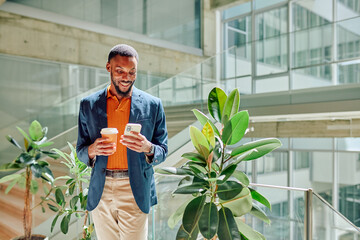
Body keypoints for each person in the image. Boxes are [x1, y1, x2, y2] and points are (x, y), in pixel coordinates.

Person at [76, 44, 168, 239]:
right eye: (120, 71)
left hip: (134, 188)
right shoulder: (88, 105)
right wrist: (92, 149)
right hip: (101, 189)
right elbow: (81, 151)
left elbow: (163, 150)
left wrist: (148, 147)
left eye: (132, 72)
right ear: (108, 67)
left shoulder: (153, 105)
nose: (127, 77)